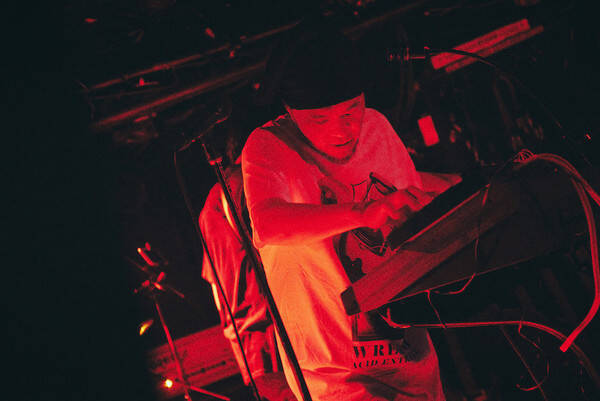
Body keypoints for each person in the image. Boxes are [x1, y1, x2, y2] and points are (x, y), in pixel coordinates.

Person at [241, 21, 460, 401]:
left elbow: (410, 217)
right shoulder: (268, 145)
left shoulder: (377, 126)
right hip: (336, 376)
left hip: (413, 360)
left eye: (350, 110)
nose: (341, 130)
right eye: (319, 119)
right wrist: (361, 213)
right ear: (290, 110)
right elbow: (268, 224)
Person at [199, 135, 297, 401]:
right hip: (276, 336)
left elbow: (218, 292)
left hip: (252, 347)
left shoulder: (210, 206)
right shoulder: (247, 183)